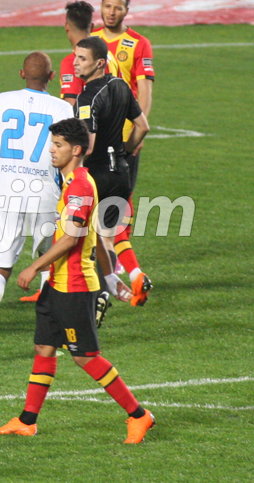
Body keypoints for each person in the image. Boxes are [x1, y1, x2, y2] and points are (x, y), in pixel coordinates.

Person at [0, 118, 155, 444]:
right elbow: (97, 232)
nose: (52, 150)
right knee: (44, 347)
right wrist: (111, 277)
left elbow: (72, 238)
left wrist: (34, 267)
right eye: (52, 144)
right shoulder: (72, 181)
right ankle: (27, 421)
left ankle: (139, 415)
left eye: (58, 145)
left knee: (85, 357)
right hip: (57, 284)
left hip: (75, 286)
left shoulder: (79, 186)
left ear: (76, 150)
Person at [0, 51, 72, 364]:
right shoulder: (62, 108)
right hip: (45, 195)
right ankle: (51, 333)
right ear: (52, 77)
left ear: (22, 74)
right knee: (50, 264)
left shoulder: (3, 100)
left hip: (7, 192)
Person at [20, 0, 120, 305]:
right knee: (98, 228)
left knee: (73, 227)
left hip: (85, 154)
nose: (77, 63)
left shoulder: (69, 63)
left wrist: (69, 147)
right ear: (93, 24)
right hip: (113, 153)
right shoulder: (107, 59)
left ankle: (84, 290)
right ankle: (111, 284)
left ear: (66, 27)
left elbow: (70, 111)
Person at [74, 36, 151, 306]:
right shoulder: (121, 86)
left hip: (97, 177)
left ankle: (99, 298)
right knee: (109, 236)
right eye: (76, 56)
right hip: (121, 173)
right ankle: (133, 277)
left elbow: (88, 146)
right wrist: (125, 152)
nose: (75, 63)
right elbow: (143, 126)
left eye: (82, 58)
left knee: (87, 239)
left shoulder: (87, 98)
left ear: (99, 63)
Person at [92, 0, 155, 290]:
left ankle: (115, 263)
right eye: (107, 6)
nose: (111, 12)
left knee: (118, 201)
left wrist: (138, 133)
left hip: (125, 138)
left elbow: (144, 92)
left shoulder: (139, 44)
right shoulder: (92, 39)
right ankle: (107, 262)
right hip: (95, 136)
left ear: (127, 10)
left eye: (117, 7)